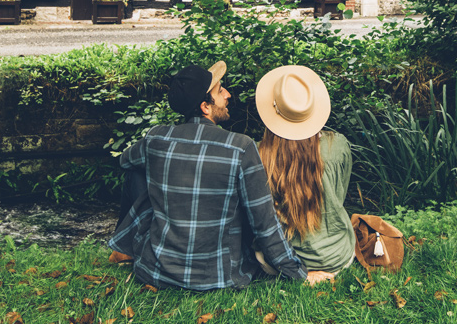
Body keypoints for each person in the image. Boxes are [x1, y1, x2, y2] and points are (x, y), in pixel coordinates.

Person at [108, 61, 320, 290]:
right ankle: (124, 249)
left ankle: (124, 248)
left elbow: (124, 160)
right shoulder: (241, 147)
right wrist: (299, 274)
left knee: (136, 172)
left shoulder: (156, 139)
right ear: (205, 107)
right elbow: (265, 224)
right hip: (220, 277)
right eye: (220, 91)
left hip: (157, 272)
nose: (228, 94)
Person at [255, 65, 356, 281]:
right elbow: (339, 193)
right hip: (337, 257)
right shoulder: (338, 145)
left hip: (281, 263)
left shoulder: (259, 154)